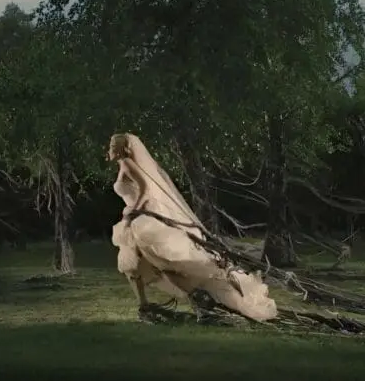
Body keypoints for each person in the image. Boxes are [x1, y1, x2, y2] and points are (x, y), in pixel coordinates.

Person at [107, 133, 278, 322]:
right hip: (136, 219)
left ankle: (185, 300)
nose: (108, 151)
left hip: (140, 220)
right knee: (136, 264)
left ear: (118, 148)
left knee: (155, 265)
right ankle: (151, 305)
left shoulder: (127, 164)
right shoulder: (126, 164)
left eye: (111, 147)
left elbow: (146, 190)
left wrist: (134, 212)